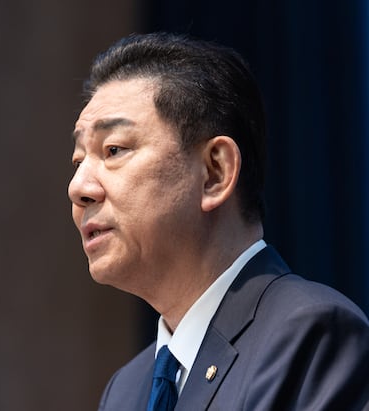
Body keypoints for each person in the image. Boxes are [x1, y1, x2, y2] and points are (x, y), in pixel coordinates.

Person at [68, 32, 369, 411]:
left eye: (113, 150)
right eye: (78, 161)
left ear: (215, 172)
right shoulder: (125, 390)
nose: (78, 188)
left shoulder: (311, 336)